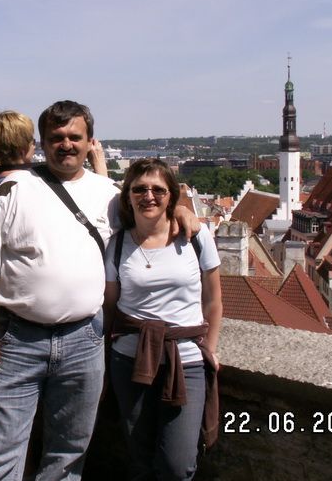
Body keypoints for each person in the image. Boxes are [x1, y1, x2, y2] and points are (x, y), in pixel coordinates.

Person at [0, 100, 200, 480]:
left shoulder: (109, 193)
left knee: (69, 454)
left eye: (75, 136)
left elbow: (151, 209)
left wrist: (180, 210)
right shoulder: (11, 190)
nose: (66, 144)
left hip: (84, 341)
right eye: (56, 137)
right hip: (18, 339)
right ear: (41, 143)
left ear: (90, 141)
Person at [104, 158, 222, 481]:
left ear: (172, 195)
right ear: (127, 196)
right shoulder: (116, 246)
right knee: (139, 456)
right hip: (129, 360)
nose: (149, 196)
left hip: (185, 360)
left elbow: (213, 301)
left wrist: (209, 349)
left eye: (158, 189)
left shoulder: (196, 238)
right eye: (139, 189)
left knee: (177, 464)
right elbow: (110, 308)